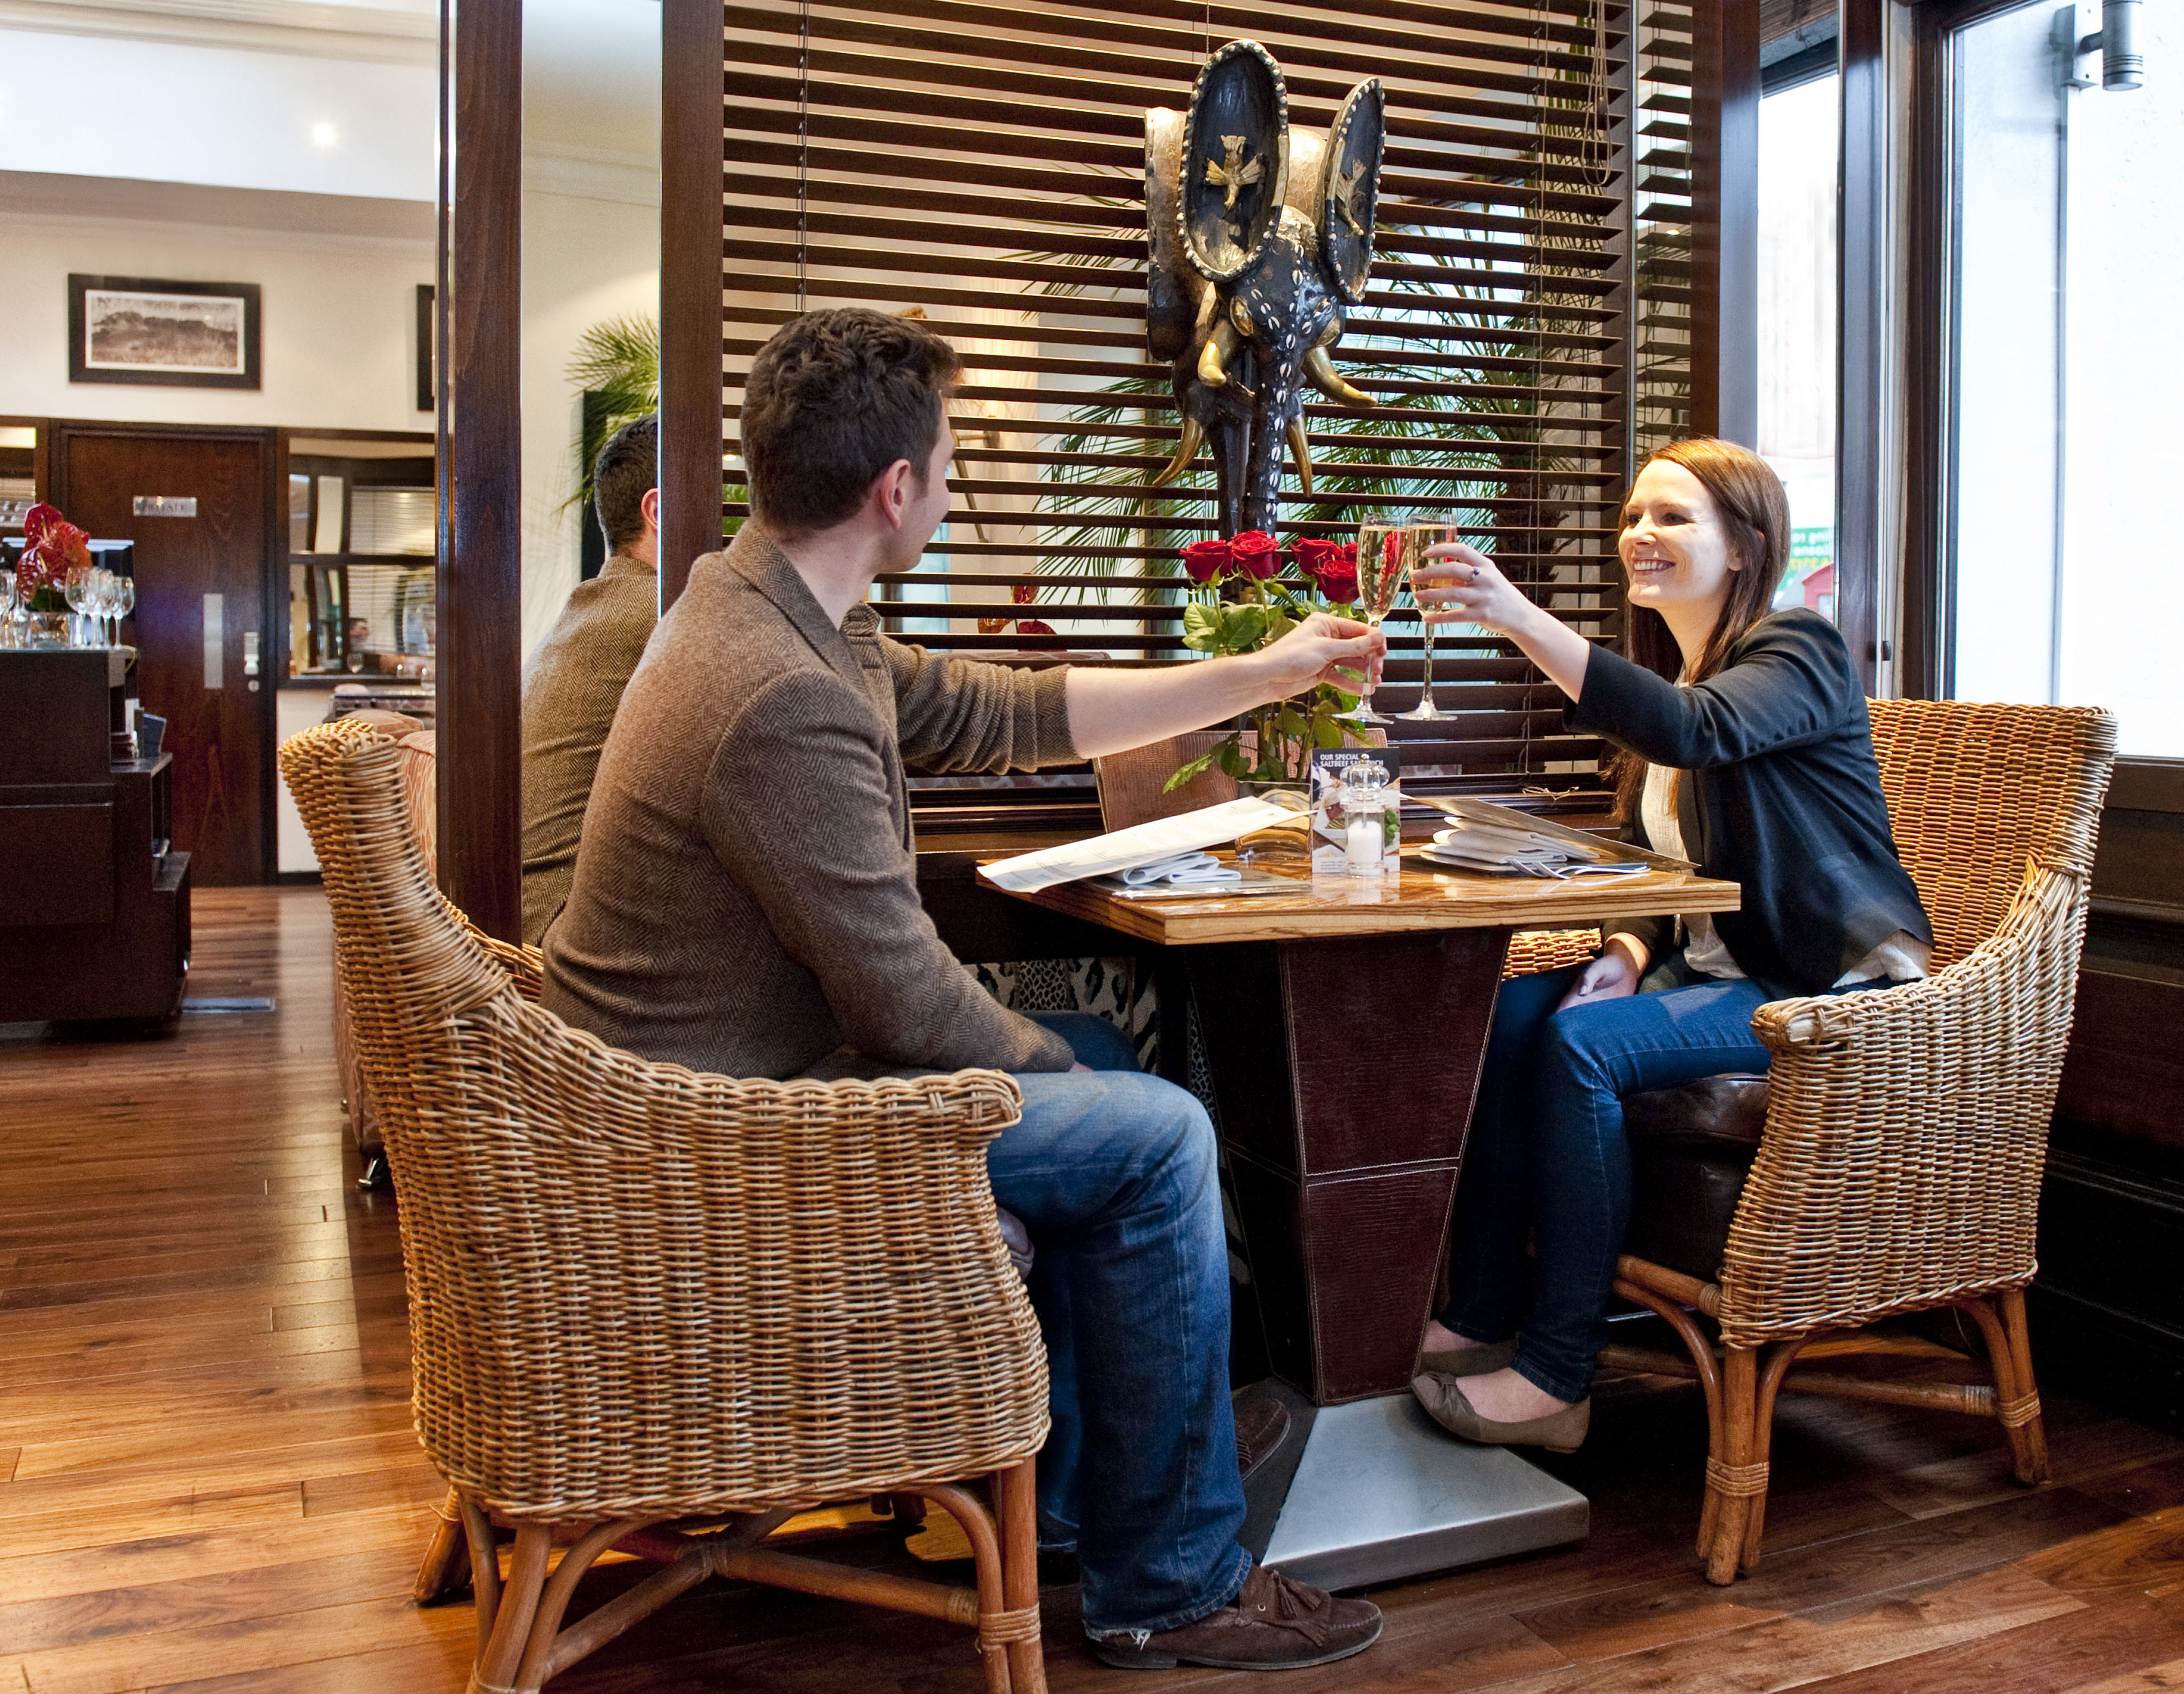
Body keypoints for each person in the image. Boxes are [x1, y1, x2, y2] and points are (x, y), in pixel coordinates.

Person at [542, 307, 1390, 1672]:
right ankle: (1169, 1579)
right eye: (949, 463)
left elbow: (1007, 711)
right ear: (897, 492)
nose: (950, 482)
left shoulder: (774, 601)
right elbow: (907, 1009)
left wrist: (1263, 676)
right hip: (712, 1136)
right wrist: (1078, 1086)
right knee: (1158, 1133)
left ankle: (1071, 1500)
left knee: (1090, 1081)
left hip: (704, 1078)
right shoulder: (772, 689)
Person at [1402, 438, 1933, 1453]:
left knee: (1579, 1047)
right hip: (1718, 971)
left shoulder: (1798, 651)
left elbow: (1694, 732)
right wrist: (1627, 951)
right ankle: (1476, 1313)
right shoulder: (1683, 675)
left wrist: (1515, 615)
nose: (1641, 535)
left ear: (1745, 547)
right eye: (1635, 515)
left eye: (1674, 518)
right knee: (1506, 1013)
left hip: (1823, 988)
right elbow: (1669, 868)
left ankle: (1559, 1376)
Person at [519, 413, 662, 945]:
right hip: (565, 950)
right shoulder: (661, 618)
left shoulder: (597, 608)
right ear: (661, 511)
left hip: (529, 927)